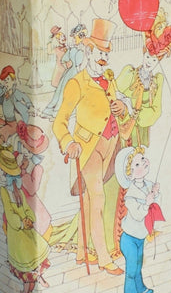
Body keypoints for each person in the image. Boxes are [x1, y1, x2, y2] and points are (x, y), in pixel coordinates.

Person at [52, 18, 131, 276]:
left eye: (106, 54)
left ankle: (82, 250)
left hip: (110, 145)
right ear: (87, 52)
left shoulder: (110, 79)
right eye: (99, 53)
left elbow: (114, 108)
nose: (103, 58)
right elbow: (59, 121)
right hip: (88, 149)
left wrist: (122, 107)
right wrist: (68, 142)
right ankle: (104, 258)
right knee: (97, 198)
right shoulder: (77, 83)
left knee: (88, 199)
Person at [0, 148, 51, 293]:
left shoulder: (18, 189)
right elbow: (9, 211)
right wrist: (21, 223)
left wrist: (29, 219)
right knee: (26, 264)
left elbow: (27, 207)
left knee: (32, 260)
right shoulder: (5, 190)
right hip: (17, 233)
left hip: (26, 231)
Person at [115, 146, 165, 293]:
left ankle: (140, 288)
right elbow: (137, 214)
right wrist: (147, 203)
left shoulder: (148, 184)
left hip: (140, 236)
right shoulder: (130, 194)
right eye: (137, 164)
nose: (142, 163)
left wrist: (155, 193)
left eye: (142, 159)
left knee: (138, 264)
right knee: (131, 268)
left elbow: (156, 200)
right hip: (129, 238)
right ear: (129, 174)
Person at [42, 23, 86, 119]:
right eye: (73, 38)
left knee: (71, 92)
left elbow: (81, 63)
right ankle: (55, 111)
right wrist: (67, 64)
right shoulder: (70, 50)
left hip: (74, 73)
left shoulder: (77, 50)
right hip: (68, 73)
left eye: (74, 38)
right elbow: (64, 60)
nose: (72, 40)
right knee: (62, 91)